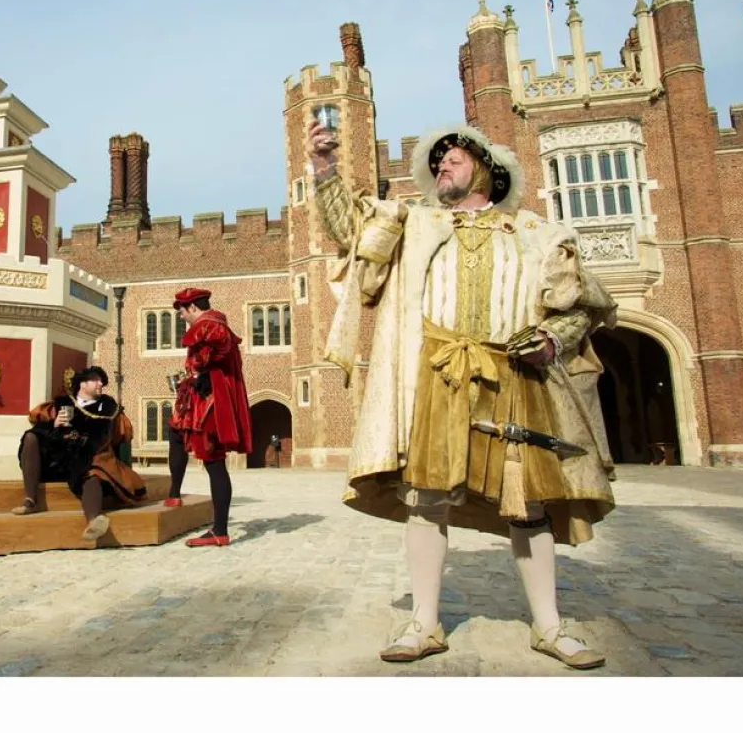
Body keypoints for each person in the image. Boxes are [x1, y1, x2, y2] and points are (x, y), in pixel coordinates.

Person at [307, 119, 617, 669]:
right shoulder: (415, 223)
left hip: (514, 374)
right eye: (436, 160)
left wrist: (552, 338)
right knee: (427, 497)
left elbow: (580, 307)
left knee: (529, 503)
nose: (441, 164)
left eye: (453, 156)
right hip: (437, 372)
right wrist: (326, 168)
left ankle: (548, 625)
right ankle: (424, 622)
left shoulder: (535, 231)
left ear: (488, 168)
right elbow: (350, 232)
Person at [13, 366, 147, 542]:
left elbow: (117, 436)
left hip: (89, 455)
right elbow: (40, 426)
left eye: (101, 381)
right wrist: (55, 425)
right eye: (96, 380)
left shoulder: (107, 408)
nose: (101, 384)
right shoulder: (61, 404)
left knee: (93, 472)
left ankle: (94, 520)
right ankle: (30, 500)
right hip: (59, 455)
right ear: (83, 385)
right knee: (31, 437)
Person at [167, 287, 252, 547]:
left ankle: (220, 530)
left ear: (192, 307)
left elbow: (214, 352)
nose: (181, 317)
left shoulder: (209, 325)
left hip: (211, 406)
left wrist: (201, 372)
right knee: (175, 431)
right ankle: (174, 493)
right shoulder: (213, 325)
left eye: (182, 312)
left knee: (215, 464)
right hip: (203, 400)